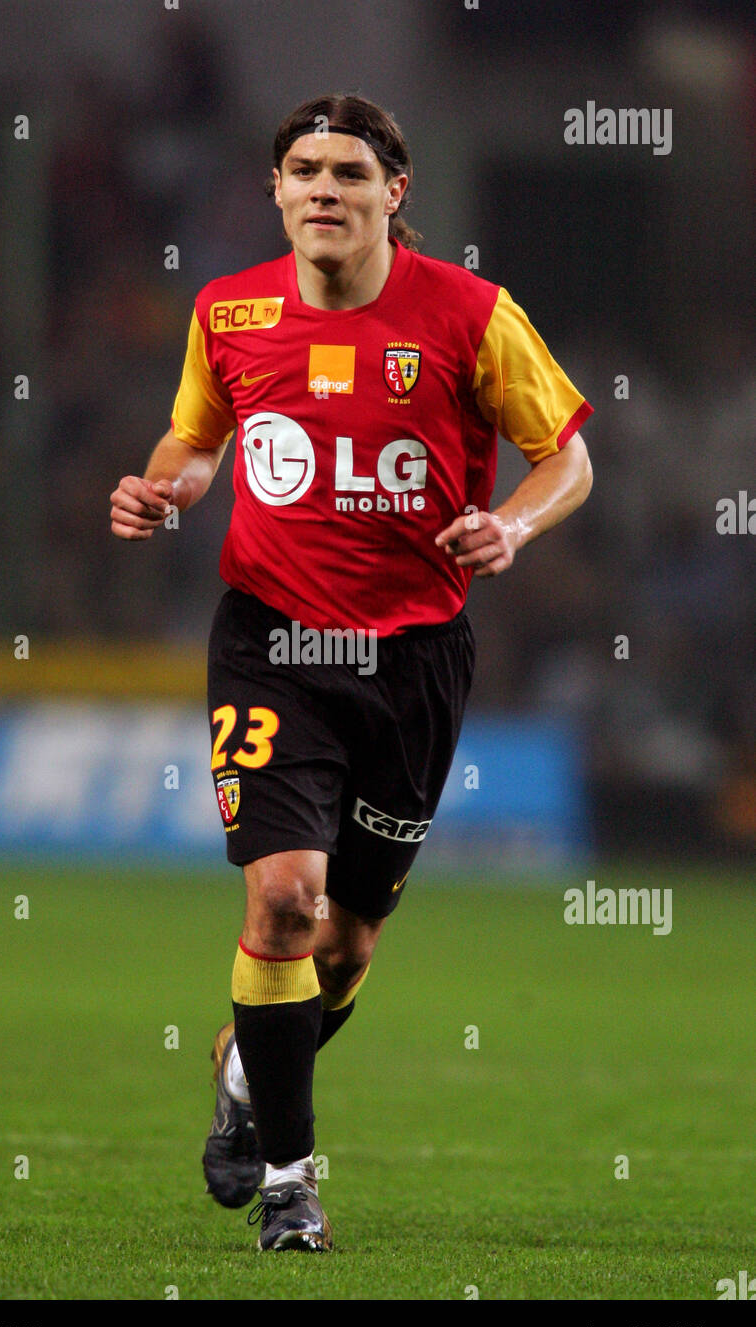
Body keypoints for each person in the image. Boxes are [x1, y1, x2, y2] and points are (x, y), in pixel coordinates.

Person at [110, 93, 593, 1252]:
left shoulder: (471, 316)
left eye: (348, 172)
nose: (323, 188)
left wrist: (512, 529)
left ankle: (243, 1074)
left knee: (349, 940)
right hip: (270, 642)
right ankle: (290, 1180)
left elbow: (565, 459)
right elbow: (196, 433)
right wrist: (170, 480)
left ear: (394, 192)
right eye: (302, 170)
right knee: (283, 897)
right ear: (276, 191)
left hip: (412, 659)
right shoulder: (226, 310)